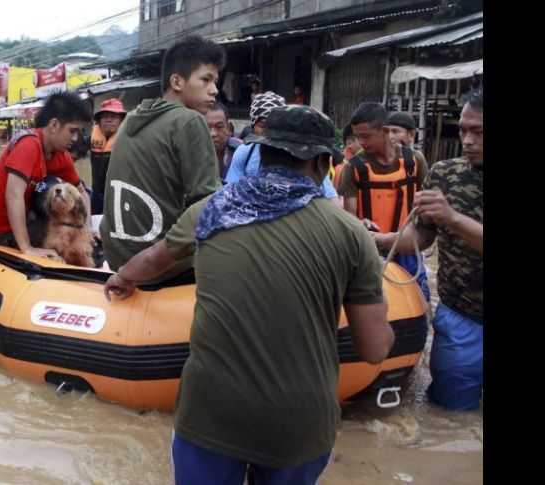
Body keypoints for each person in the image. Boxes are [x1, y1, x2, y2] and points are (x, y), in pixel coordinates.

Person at [104, 105, 393, 483]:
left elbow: (152, 260)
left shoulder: (209, 210)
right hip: (299, 426)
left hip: (210, 417)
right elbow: (373, 350)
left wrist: (121, 277)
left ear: (259, 152)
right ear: (322, 163)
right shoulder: (351, 234)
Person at [373, 88, 483, 411]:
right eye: (463, 130)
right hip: (460, 318)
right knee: (452, 413)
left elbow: (450, 222)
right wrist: (380, 240)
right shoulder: (444, 174)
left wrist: (454, 218)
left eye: (478, 131)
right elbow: (422, 237)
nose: (468, 140)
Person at [100, 35, 225, 283]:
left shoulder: (133, 118)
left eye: (215, 81)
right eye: (205, 79)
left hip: (116, 256)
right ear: (177, 82)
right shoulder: (190, 121)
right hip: (157, 267)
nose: (214, 90)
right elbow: (209, 206)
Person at [0, 92, 93, 262]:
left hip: (26, 218)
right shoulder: (28, 144)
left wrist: (87, 230)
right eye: (72, 130)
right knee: (61, 236)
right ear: (54, 125)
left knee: (70, 226)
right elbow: (13, 195)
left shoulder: (60, 154)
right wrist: (27, 247)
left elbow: (81, 193)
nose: (75, 138)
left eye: (79, 132)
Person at [337, 102, 431, 301]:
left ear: (385, 131)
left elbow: (427, 208)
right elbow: (349, 217)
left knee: (418, 300)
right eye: (357, 136)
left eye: (366, 136)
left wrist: (426, 237)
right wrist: (361, 223)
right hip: (371, 250)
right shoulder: (352, 168)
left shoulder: (414, 162)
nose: (361, 142)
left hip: (407, 247)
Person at [226, 92, 338, 201]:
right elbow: (229, 192)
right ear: (253, 125)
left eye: (275, 129)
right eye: (263, 126)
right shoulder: (245, 152)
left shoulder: (299, 154)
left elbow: (329, 195)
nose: (267, 132)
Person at [89, 98, 127, 215]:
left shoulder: (129, 139)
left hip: (120, 193)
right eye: (105, 116)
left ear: (121, 120)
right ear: (99, 120)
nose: (108, 120)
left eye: (113, 117)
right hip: (97, 191)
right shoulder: (91, 137)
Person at [205, 101, 242, 179]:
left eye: (219, 127)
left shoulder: (241, 151)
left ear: (228, 128)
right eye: (207, 127)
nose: (213, 134)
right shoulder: (190, 154)